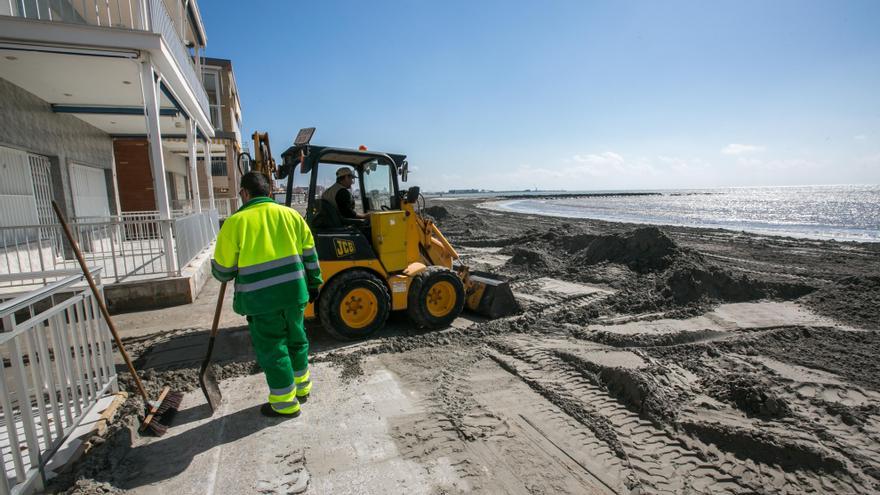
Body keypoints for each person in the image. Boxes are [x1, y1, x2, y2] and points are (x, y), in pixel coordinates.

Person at [211, 172, 322, 418]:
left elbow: (223, 272)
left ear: (245, 193)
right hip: (295, 294)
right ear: (270, 192)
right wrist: (314, 283)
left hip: (261, 299)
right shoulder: (292, 216)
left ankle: (285, 404)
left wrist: (217, 266)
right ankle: (302, 390)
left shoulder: (235, 223)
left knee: (274, 350)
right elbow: (310, 255)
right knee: (297, 341)